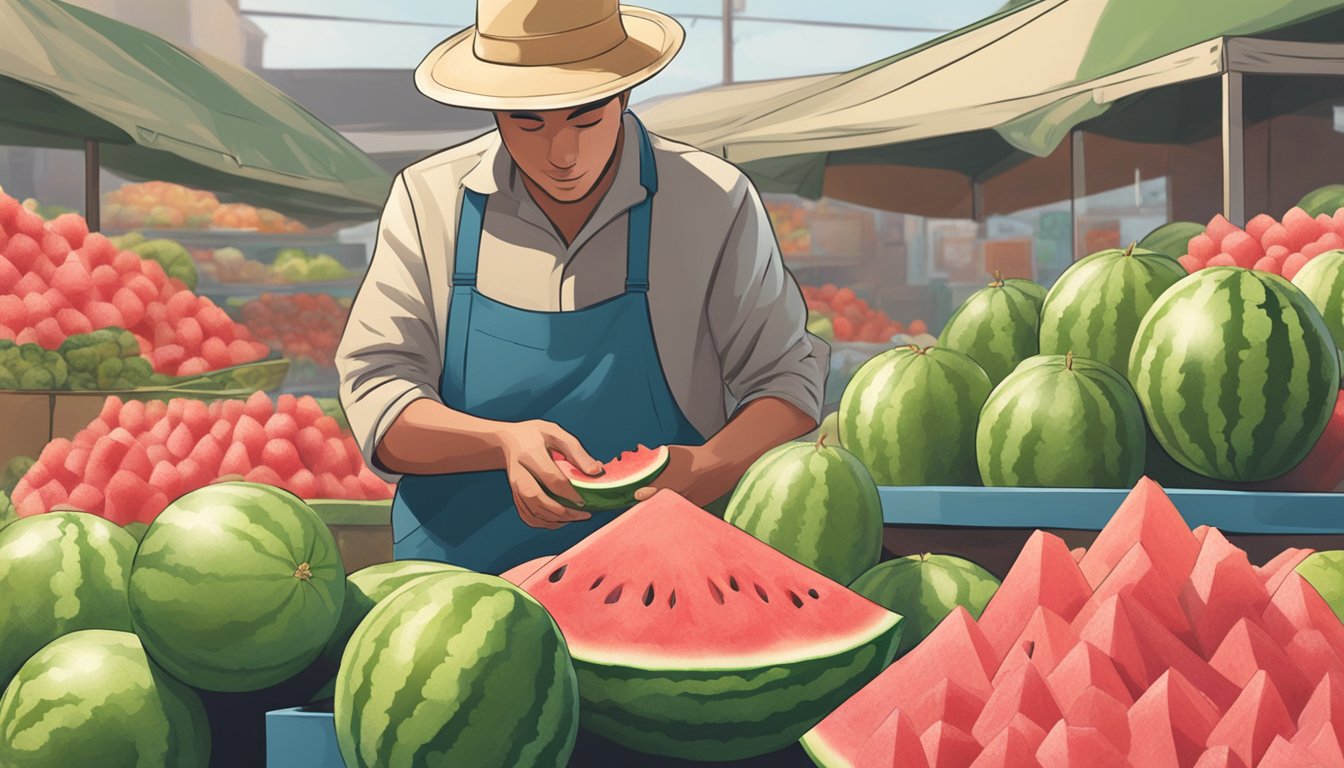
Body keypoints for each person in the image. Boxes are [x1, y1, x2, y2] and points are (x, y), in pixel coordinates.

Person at [336, 0, 829, 574]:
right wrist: (499, 443)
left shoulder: (713, 200)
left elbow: (789, 383)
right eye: (528, 123)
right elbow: (379, 395)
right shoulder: (429, 200)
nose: (562, 155)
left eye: (587, 118)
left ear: (623, 96)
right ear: (495, 109)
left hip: (664, 577)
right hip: (457, 579)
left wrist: (709, 466)